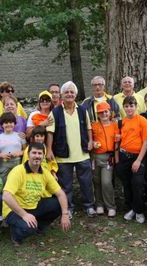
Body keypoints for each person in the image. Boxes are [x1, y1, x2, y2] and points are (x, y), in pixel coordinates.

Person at [46, 81, 96, 219]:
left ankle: (89, 206)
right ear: (62, 94)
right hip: (63, 155)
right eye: (66, 92)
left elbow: (88, 128)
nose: (69, 94)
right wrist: (49, 149)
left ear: (75, 94)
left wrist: (91, 141)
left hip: (82, 153)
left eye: (72, 92)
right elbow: (50, 132)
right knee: (65, 185)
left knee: (86, 183)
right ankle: (67, 208)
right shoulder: (55, 112)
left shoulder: (82, 110)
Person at [3, 143, 71, 245]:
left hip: (33, 206)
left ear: (43, 156)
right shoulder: (18, 171)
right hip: (14, 210)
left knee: (58, 204)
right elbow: (6, 196)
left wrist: (65, 214)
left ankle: (38, 227)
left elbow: (60, 193)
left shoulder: (44, 172)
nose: (37, 156)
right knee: (29, 228)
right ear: (28, 155)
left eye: (40, 153)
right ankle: (16, 235)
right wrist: (24, 215)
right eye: (34, 153)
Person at [115, 96, 147, 223]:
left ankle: (139, 210)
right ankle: (131, 208)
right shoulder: (121, 122)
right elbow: (118, 141)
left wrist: (139, 160)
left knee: (138, 183)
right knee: (127, 184)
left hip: (138, 157)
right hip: (124, 156)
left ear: (136, 107)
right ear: (123, 108)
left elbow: (146, 141)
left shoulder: (142, 120)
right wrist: (117, 159)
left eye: (131, 106)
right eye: (126, 106)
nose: (129, 108)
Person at [91, 102, 120, 217]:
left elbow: (118, 141)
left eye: (106, 111)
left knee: (106, 182)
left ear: (110, 112)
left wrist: (116, 156)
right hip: (96, 157)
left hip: (108, 158)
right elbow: (89, 139)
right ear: (97, 114)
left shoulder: (115, 125)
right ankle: (99, 205)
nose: (104, 114)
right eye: (101, 112)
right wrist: (93, 143)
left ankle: (111, 206)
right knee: (96, 182)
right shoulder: (94, 126)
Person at [0, 112, 27, 183]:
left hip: (17, 164)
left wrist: (20, 152)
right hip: (4, 166)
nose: (8, 124)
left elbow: (26, 150)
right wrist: (0, 155)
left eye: (11, 122)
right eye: (6, 123)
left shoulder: (20, 136)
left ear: (14, 124)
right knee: (3, 184)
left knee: (17, 182)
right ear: (2, 124)